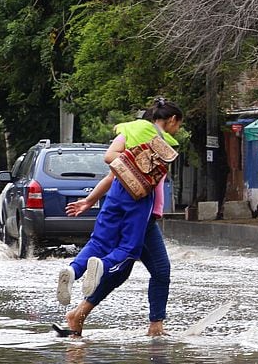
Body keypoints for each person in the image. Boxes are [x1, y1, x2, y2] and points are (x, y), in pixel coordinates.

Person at [52, 98, 183, 338]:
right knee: (149, 264)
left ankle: (76, 301)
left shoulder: (128, 130)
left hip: (115, 197)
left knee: (110, 257)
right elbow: (115, 162)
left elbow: (113, 172)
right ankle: (156, 327)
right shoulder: (163, 143)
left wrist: (90, 200)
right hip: (143, 212)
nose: (177, 131)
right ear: (172, 120)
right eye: (178, 125)